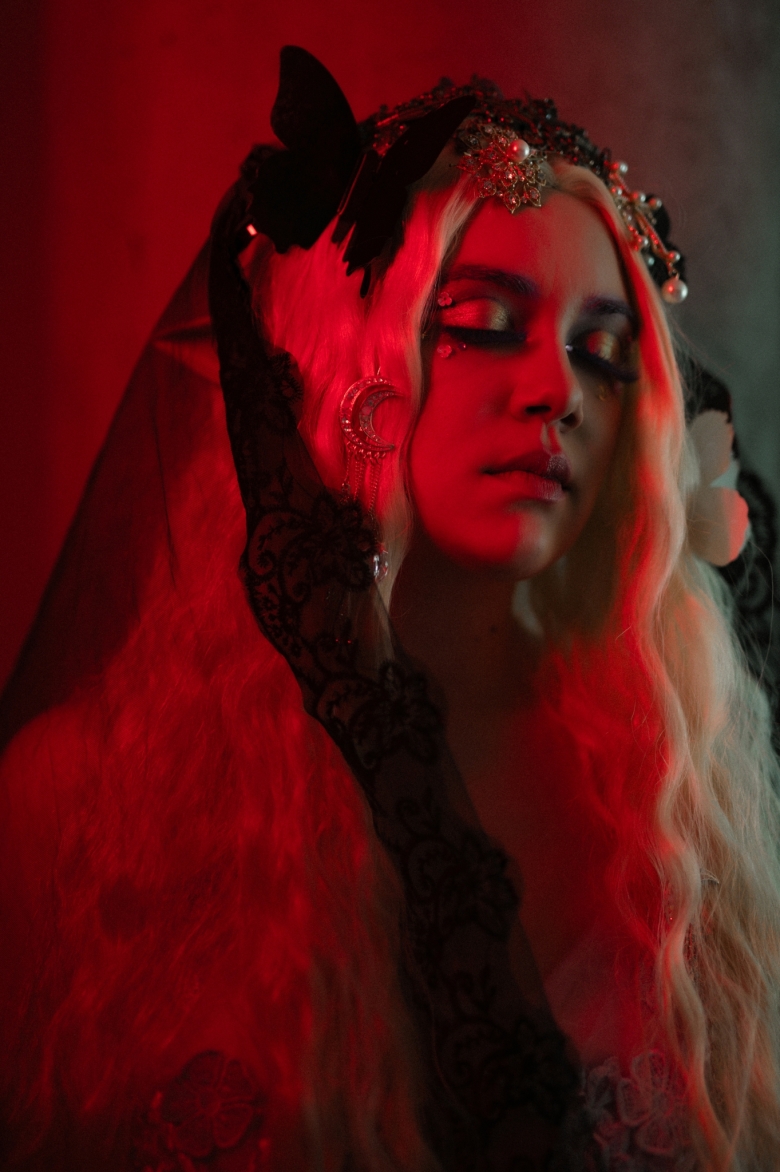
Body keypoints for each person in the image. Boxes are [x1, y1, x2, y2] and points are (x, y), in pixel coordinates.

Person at [1, 44, 779, 1172]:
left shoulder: (681, 798)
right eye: (483, 323)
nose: (557, 390)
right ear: (351, 355)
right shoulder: (76, 808)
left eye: (604, 355)